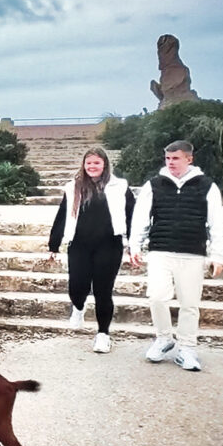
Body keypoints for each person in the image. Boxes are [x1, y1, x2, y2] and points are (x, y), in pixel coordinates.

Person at [130, 140, 223, 371]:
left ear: (189, 159)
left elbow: (215, 222)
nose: (171, 163)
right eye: (168, 158)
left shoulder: (207, 186)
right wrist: (135, 246)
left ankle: (187, 348)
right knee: (156, 297)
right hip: (160, 251)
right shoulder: (154, 185)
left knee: (189, 303)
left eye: (176, 158)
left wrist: (218, 255)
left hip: (192, 253)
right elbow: (141, 218)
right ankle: (164, 338)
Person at [48, 147, 135, 353]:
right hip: (79, 245)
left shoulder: (120, 186)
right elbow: (62, 216)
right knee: (77, 287)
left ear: (104, 164)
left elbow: (132, 215)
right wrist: (54, 245)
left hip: (109, 245)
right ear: (84, 165)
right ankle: (78, 306)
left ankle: (103, 334)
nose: (92, 167)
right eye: (89, 163)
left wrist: (134, 244)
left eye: (96, 163)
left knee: (103, 291)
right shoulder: (73, 187)